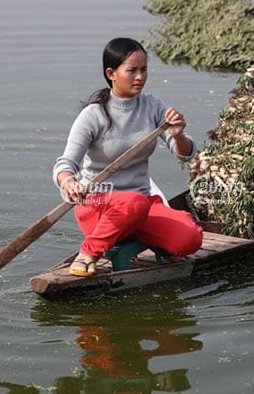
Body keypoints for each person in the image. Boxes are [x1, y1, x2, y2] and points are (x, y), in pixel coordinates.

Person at [53, 37, 204, 276]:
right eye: (132, 70)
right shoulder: (93, 115)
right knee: (133, 202)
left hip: (141, 206)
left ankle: (135, 233)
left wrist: (178, 135)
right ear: (111, 73)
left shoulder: (152, 105)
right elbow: (65, 165)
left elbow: (184, 155)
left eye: (144, 70)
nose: (140, 77)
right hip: (99, 205)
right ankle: (88, 253)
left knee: (190, 239)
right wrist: (69, 182)